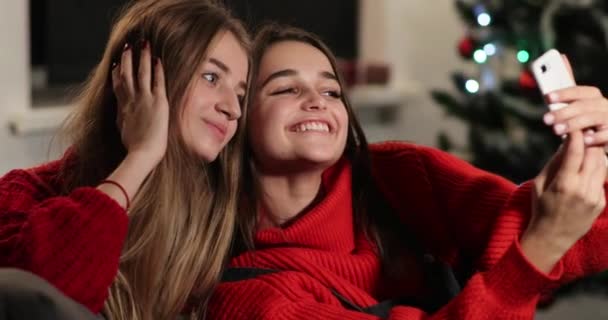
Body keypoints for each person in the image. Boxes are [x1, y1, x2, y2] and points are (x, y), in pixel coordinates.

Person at [207, 24, 608, 319]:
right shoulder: (247, 294)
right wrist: (542, 244)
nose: (317, 101)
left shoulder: (402, 174)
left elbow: (539, 229)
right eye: (285, 89)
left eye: (331, 91)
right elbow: (536, 247)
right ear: (238, 117)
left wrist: (596, 154)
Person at [0, 0, 250, 319]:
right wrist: (141, 156)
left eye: (240, 94)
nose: (233, 108)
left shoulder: (224, 217)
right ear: (136, 75)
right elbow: (39, 301)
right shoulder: (24, 194)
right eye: (212, 78)